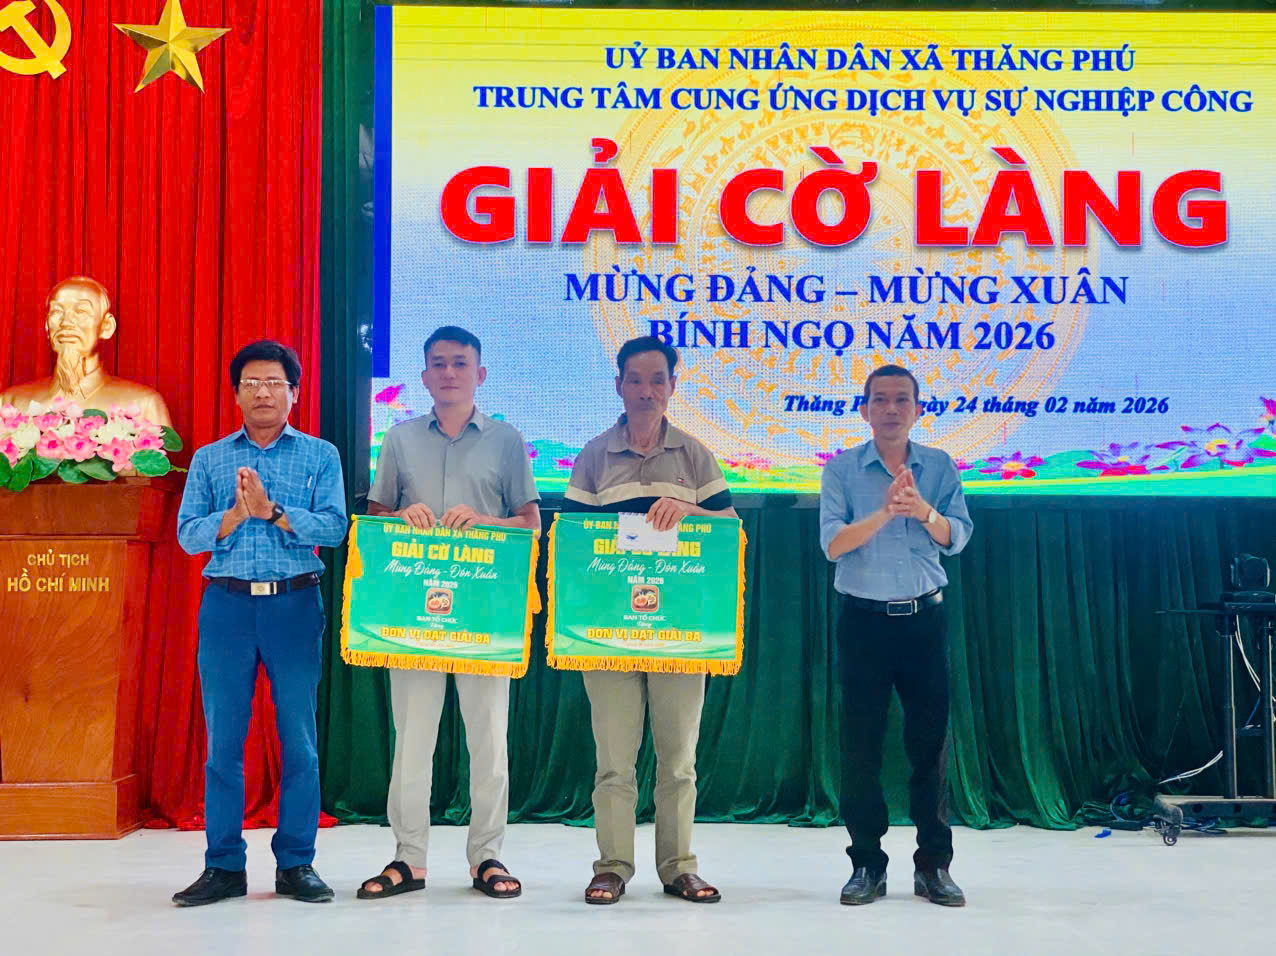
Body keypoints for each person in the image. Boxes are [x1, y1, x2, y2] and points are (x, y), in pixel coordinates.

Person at [357, 326, 539, 901]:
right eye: (438, 363)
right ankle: (408, 858)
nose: (449, 372)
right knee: (412, 739)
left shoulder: (507, 440)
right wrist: (398, 517)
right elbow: (374, 519)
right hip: (414, 611)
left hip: (484, 612)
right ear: (424, 376)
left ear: (479, 374)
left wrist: (486, 523)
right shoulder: (399, 438)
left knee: (489, 740)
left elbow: (530, 524)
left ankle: (487, 857)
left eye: (460, 363)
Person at [564, 335, 737, 905]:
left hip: (680, 631)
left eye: (657, 379)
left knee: (679, 762)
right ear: (618, 385)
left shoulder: (695, 454)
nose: (646, 391)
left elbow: (730, 532)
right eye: (634, 380)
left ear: (672, 386)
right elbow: (572, 545)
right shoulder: (593, 455)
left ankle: (679, 867)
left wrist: (692, 511)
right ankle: (612, 867)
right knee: (613, 764)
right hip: (608, 631)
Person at [173, 340, 347, 906]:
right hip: (227, 607)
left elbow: (335, 527)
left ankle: (296, 863)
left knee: (299, 739)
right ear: (236, 394)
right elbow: (187, 534)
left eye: (275, 382)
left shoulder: (319, 455)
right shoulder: (210, 459)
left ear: (294, 393)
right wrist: (231, 518)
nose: (263, 392)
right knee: (223, 741)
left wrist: (273, 513)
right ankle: (223, 865)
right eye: (252, 383)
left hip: (294, 605)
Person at [818, 364, 974, 907]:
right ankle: (867, 864)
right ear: (864, 410)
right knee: (860, 747)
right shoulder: (841, 470)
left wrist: (923, 510)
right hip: (862, 622)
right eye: (879, 399)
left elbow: (957, 537)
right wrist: (885, 512)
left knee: (930, 747)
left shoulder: (939, 466)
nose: (890, 408)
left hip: (924, 621)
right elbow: (833, 545)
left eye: (901, 399)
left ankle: (934, 866)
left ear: (917, 409)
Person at [1, 275, 172, 426]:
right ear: (47, 326)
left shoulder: (143, 405)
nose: (66, 323)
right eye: (57, 311)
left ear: (106, 326)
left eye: (81, 311)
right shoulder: (11, 403)